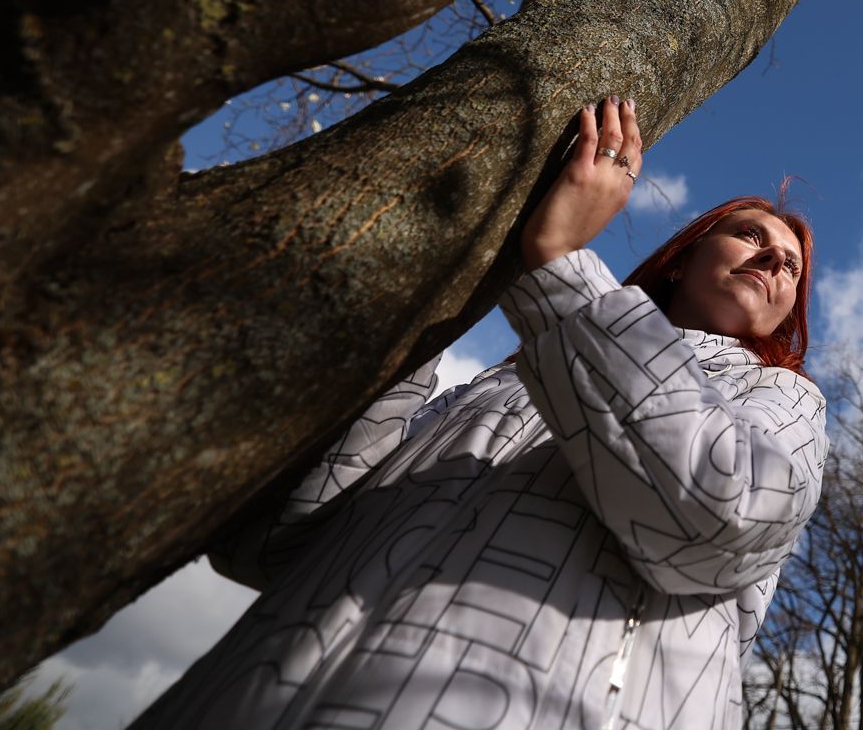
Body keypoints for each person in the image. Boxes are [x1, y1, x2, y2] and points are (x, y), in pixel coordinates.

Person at [132, 97, 826, 730]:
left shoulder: (782, 399)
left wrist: (560, 264)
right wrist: (415, 328)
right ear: (681, 259)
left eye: (792, 268)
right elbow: (277, 540)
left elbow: (722, 512)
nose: (774, 258)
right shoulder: (505, 380)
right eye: (749, 234)